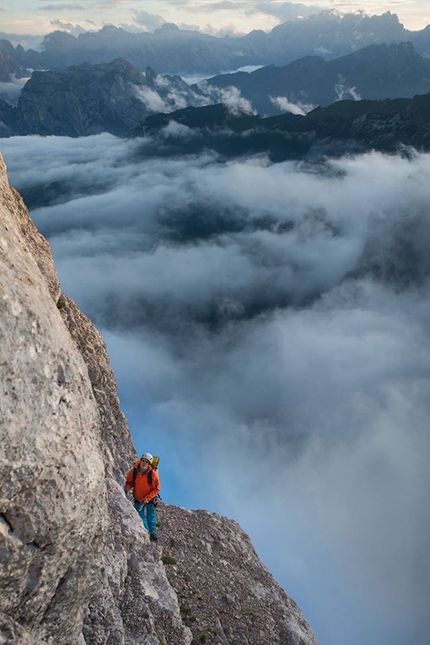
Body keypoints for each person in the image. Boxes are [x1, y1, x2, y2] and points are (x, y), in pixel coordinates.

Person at [125, 453, 161, 542]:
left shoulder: (153, 474)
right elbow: (130, 482)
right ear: (140, 461)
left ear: (149, 464)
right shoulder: (134, 471)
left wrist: (147, 498)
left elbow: (156, 489)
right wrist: (128, 487)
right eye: (143, 461)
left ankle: (153, 532)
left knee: (150, 516)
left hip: (150, 499)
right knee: (140, 517)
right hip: (138, 498)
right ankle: (147, 533)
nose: (144, 463)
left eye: (146, 462)